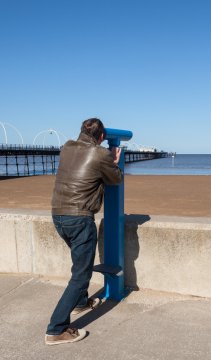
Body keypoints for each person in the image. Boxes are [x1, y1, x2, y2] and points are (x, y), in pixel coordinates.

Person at [45, 118, 122, 345]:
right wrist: (114, 160)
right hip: (79, 218)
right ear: (101, 138)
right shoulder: (101, 154)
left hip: (58, 216)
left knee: (79, 264)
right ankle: (56, 329)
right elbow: (115, 179)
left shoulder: (67, 147)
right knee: (81, 274)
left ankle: (80, 303)